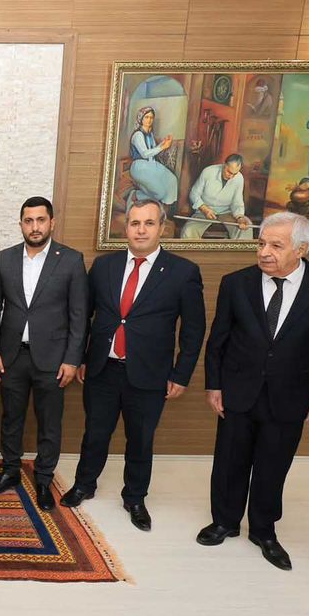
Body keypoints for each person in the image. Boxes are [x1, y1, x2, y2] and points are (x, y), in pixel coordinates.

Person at [198, 212, 309, 570]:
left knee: (273, 464)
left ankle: (264, 531)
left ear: (302, 249)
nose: (264, 252)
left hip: (292, 392)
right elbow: (218, 339)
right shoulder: (236, 283)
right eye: (261, 243)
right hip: (238, 388)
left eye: (276, 246)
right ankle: (224, 521)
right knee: (230, 459)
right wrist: (214, 384)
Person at [61, 199, 206, 532]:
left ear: (162, 228)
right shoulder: (104, 266)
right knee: (95, 433)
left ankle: (135, 497)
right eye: (135, 223)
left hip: (150, 373)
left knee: (140, 439)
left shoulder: (183, 272)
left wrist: (181, 374)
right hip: (102, 368)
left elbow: (194, 330)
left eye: (149, 223)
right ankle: (84, 484)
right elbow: (84, 316)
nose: (141, 230)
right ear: (125, 227)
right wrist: (82, 357)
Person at [0, 196, 87, 510]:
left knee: (49, 422)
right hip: (12, 356)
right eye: (28, 221)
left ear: (51, 222)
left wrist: (72, 359)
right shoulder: (4, 259)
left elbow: (79, 315)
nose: (35, 227)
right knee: (11, 418)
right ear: (21, 224)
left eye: (41, 220)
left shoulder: (70, 260)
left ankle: (43, 479)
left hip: (53, 359)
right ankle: (10, 471)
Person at [181, 154, 253, 240]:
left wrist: (240, 217)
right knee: (188, 231)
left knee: (246, 229)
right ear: (224, 165)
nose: (231, 177)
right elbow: (194, 193)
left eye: (234, 174)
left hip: (227, 212)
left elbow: (237, 201)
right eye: (229, 172)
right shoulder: (208, 172)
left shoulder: (239, 178)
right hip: (204, 211)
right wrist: (204, 209)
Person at [127, 106, 179, 208]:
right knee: (160, 193)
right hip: (139, 167)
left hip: (151, 165)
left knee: (172, 180)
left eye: (151, 117)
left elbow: (153, 150)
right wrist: (162, 147)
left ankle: (165, 207)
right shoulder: (138, 135)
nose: (149, 120)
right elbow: (145, 154)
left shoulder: (150, 134)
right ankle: (137, 194)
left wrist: (164, 142)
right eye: (146, 117)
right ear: (141, 119)